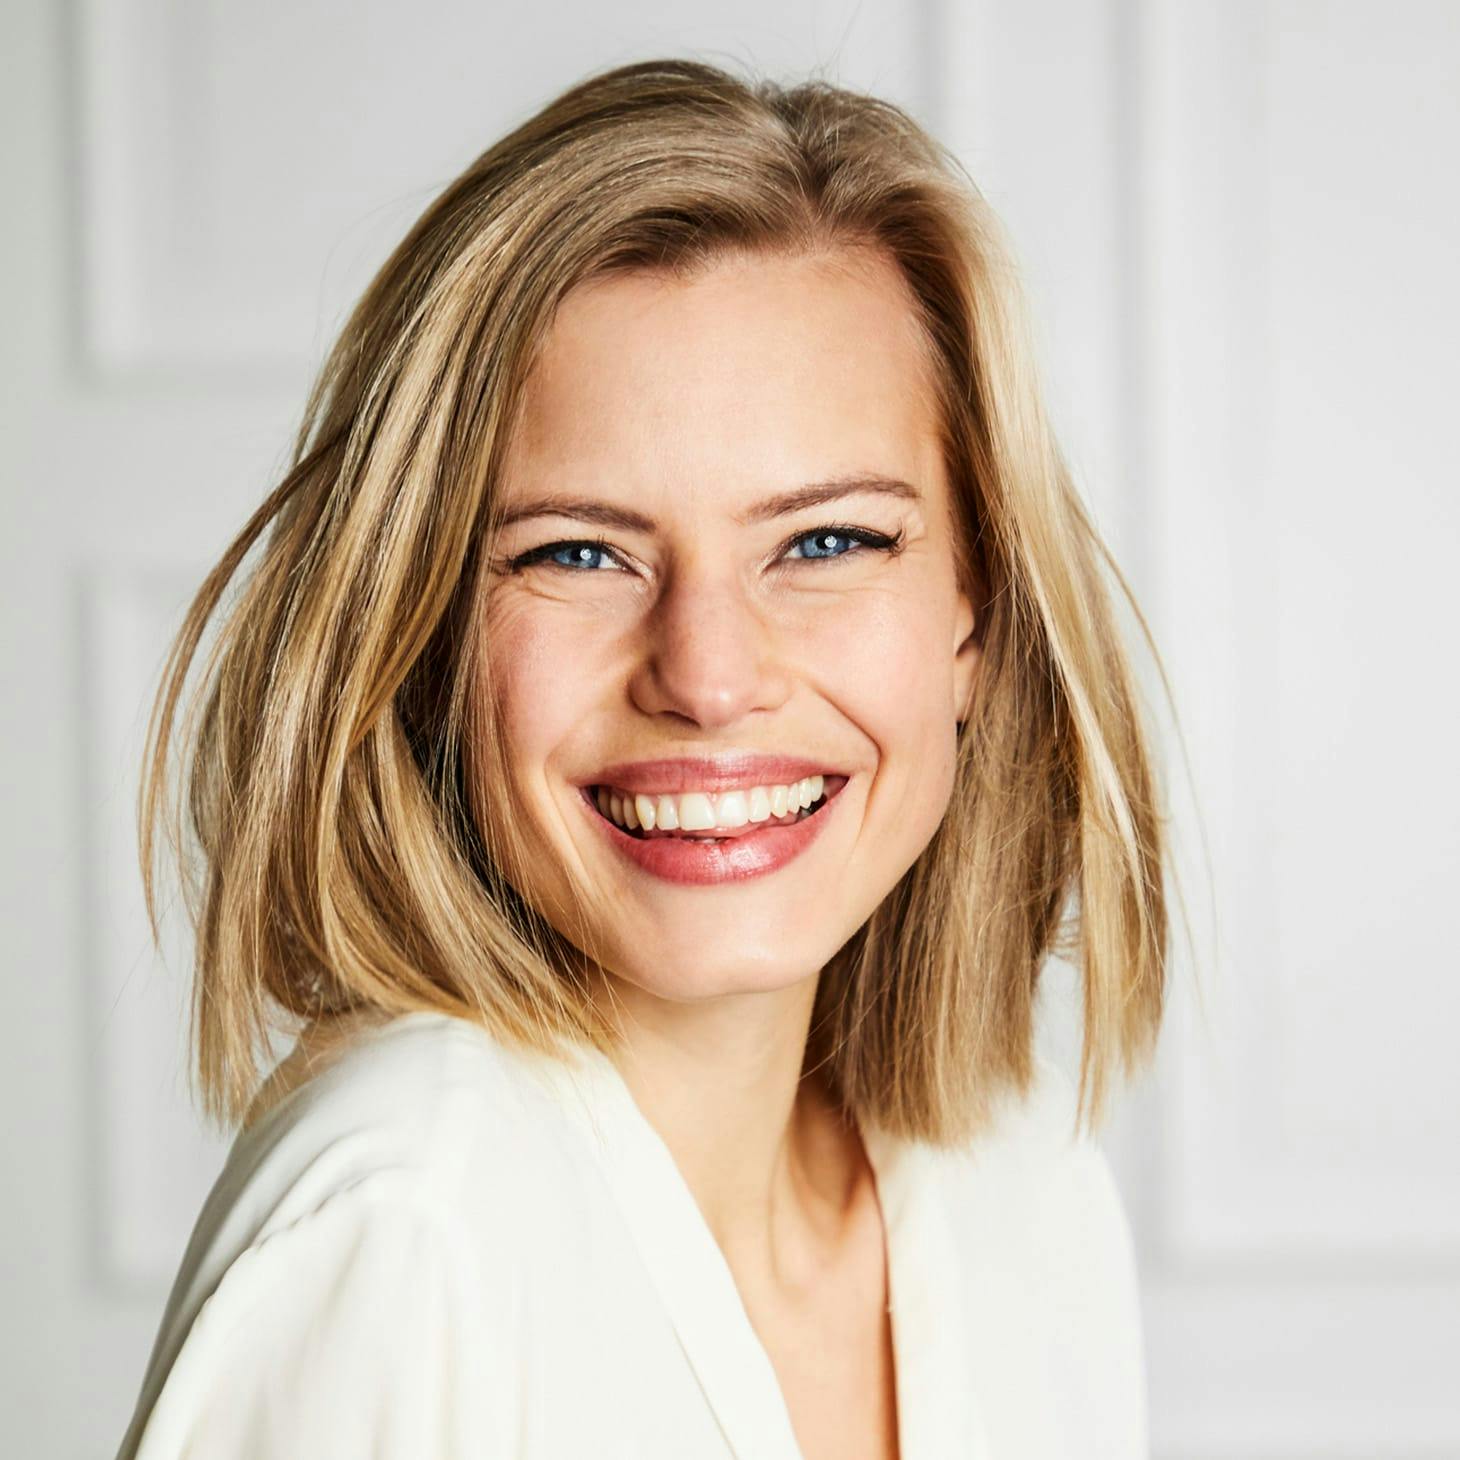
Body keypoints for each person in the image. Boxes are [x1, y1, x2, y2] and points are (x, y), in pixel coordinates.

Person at [114, 56, 1169, 1460]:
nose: (709, 675)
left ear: (973, 616)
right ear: (424, 636)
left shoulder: (1028, 1195)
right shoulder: (406, 1232)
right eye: (577, 551)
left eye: (828, 541)